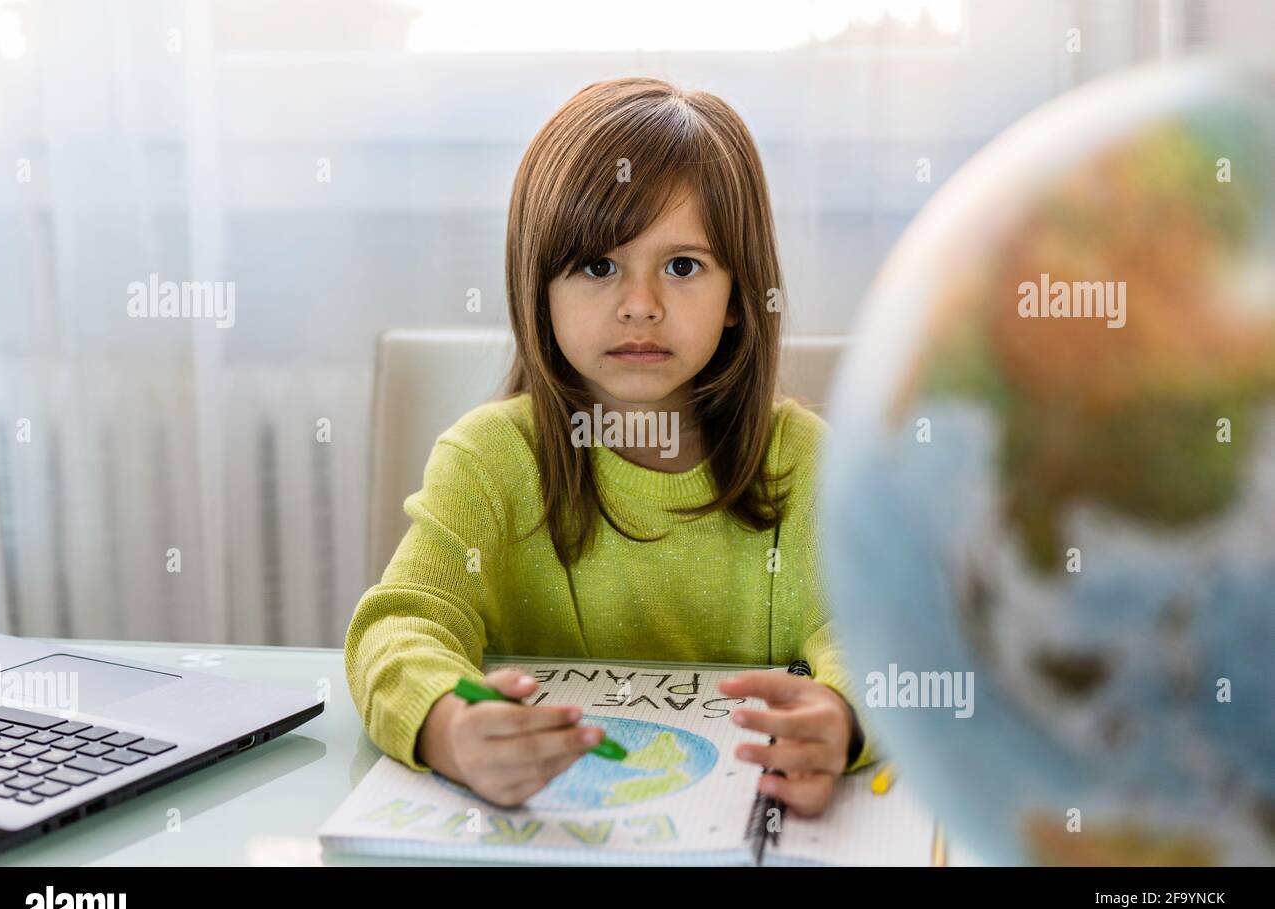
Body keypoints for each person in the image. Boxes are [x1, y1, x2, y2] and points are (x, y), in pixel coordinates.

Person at [345, 77, 877, 817]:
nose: (640, 304)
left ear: (737, 296)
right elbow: (401, 624)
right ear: (541, 292)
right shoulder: (491, 460)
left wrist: (843, 721)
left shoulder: (809, 464)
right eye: (598, 266)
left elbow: (882, 638)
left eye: (683, 266)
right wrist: (450, 728)